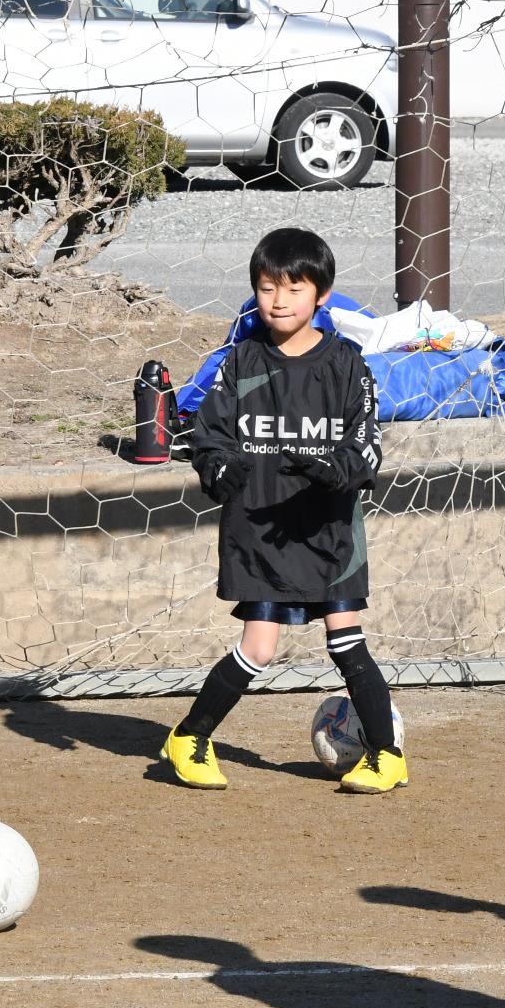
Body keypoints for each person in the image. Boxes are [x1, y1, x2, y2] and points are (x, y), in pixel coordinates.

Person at [171, 227, 400, 793]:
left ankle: (387, 756)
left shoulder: (347, 364)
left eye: (294, 287)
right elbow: (209, 433)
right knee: (259, 646)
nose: (279, 299)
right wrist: (217, 467)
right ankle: (188, 738)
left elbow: (368, 441)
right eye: (268, 287)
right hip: (260, 528)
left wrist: (337, 468)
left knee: (346, 636)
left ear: (321, 294)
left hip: (328, 528)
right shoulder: (240, 362)